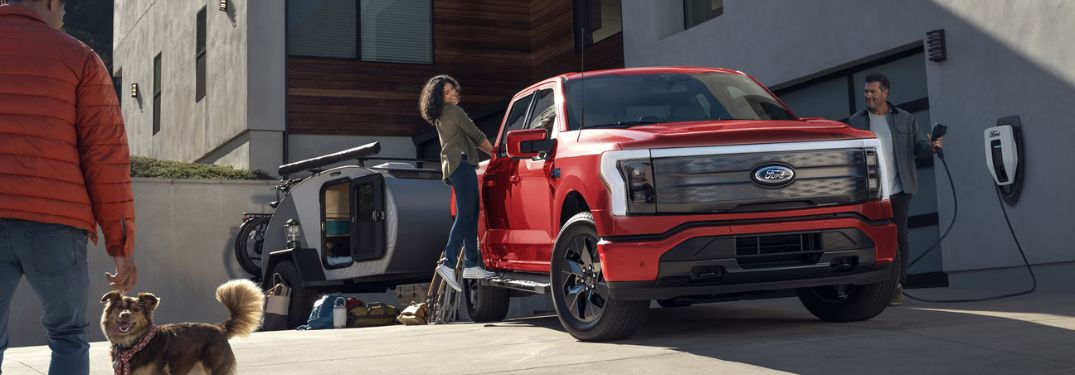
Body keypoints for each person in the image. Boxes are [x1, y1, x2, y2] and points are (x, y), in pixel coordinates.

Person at [0, 0, 137, 373]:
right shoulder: (80, 58)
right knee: (68, 335)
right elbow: (106, 158)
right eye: (63, 6)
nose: (64, 16)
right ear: (48, 2)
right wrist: (121, 247)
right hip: (55, 223)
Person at [847, 73, 942, 306]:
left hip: (899, 190)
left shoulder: (905, 119)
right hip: (871, 194)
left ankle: (897, 285)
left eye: (873, 91)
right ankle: (871, 286)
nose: (868, 95)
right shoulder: (856, 121)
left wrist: (931, 146)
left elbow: (919, 147)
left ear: (885, 93)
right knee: (868, 237)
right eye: (866, 92)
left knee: (900, 237)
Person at [419, 75, 496, 292]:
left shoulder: (440, 115)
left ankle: (472, 264)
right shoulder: (454, 112)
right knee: (465, 214)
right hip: (461, 166)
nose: (452, 94)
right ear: (439, 98)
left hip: (455, 167)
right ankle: (449, 263)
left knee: (470, 212)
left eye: (453, 89)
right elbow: (476, 135)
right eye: (446, 92)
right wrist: (496, 153)